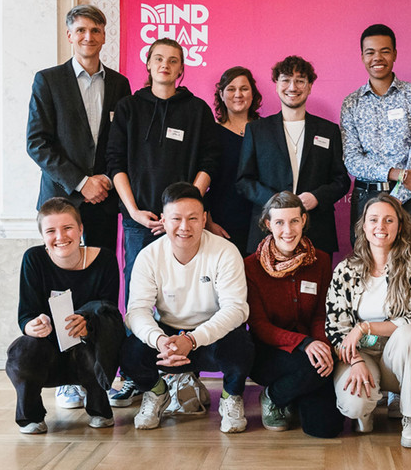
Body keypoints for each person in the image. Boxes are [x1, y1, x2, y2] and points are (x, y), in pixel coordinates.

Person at [105, 37, 220, 407]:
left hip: (185, 221)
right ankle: (136, 377)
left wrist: (189, 212)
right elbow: (115, 163)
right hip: (141, 220)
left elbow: (209, 163)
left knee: (187, 295)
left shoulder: (198, 110)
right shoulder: (128, 108)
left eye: (173, 60)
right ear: (149, 65)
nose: (165, 65)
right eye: (158, 59)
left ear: (182, 69)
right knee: (137, 299)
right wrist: (134, 210)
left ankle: (183, 371)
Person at [119, 182, 253, 433]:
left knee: (241, 344)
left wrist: (191, 340)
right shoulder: (149, 256)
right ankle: (157, 392)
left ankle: (230, 397)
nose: (184, 227)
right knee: (130, 351)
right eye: (176, 219)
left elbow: (236, 309)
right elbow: (137, 311)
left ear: (204, 219)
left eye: (192, 218)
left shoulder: (225, 252)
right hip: (167, 338)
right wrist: (160, 340)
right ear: (163, 220)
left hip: (210, 336)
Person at [5, 198, 126, 434]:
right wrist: (33, 326)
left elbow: (110, 311)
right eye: (51, 230)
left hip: (90, 349)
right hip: (48, 352)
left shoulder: (104, 259)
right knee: (22, 350)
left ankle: (98, 406)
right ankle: (31, 415)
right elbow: (26, 314)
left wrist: (89, 324)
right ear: (42, 236)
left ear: (81, 229)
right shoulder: (34, 259)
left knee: (102, 332)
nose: (60, 236)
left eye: (68, 228)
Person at [325, 193, 411, 448]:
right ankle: (367, 409)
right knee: (354, 404)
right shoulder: (346, 270)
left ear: (400, 225)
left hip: (398, 355)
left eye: (388, 220)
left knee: (408, 334)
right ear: (363, 226)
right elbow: (336, 326)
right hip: (360, 352)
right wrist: (356, 360)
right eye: (373, 220)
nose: (381, 227)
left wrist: (365, 327)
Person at [27, 4, 132, 254]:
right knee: (60, 278)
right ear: (69, 35)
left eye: (95, 30)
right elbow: (37, 143)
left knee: (101, 274)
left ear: (104, 36)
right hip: (60, 199)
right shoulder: (48, 81)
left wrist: (105, 180)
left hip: (103, 200)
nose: (89, 37)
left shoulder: (120, 84)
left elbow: (124, 142)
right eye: (81, 30)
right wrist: (81, 182)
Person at [245, 191, 344, 438]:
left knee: (326, 428)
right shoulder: (251, 266)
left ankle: (293, 394)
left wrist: (321, 345)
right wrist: (304, 343)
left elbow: (322, 314)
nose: (287, 230)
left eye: (294, 221)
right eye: (279, 222)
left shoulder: (320, 261)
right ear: (268, 224)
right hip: (269, 353)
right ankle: (273, 396)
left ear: (303, 221)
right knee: (312, 369)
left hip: (310, 350)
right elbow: (259, 325)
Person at [237, 55, 350, 256]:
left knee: (313, 287)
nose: (292, 87)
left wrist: (317, 197)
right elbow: (244, 181)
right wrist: (275, 202)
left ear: (309, 86)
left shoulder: (328, 130)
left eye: (300, 81)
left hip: (317, 231)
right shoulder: (256, 130)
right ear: (276, 84)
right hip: (268, 230)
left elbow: (341, 180)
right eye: (286, 80)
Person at [341, 24, 411, 246]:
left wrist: (395, 198)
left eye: (385, 51)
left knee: (410, 267)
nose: (377, 58)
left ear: (395, 54)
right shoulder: (351, 103)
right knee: (367, 268)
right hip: (366, 200)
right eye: (370, 52)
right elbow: (352, 161)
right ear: (362, 56)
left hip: (409, 199)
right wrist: (395, 173)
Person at [204, 66, 262, 256]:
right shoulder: (211, 133)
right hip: (222, 223)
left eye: (244, 88)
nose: (238, 94)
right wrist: (209, 222)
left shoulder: (267, 132)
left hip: (261, 222)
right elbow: (201, 179)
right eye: (231, 89)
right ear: (221, 94)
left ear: (252, 94)